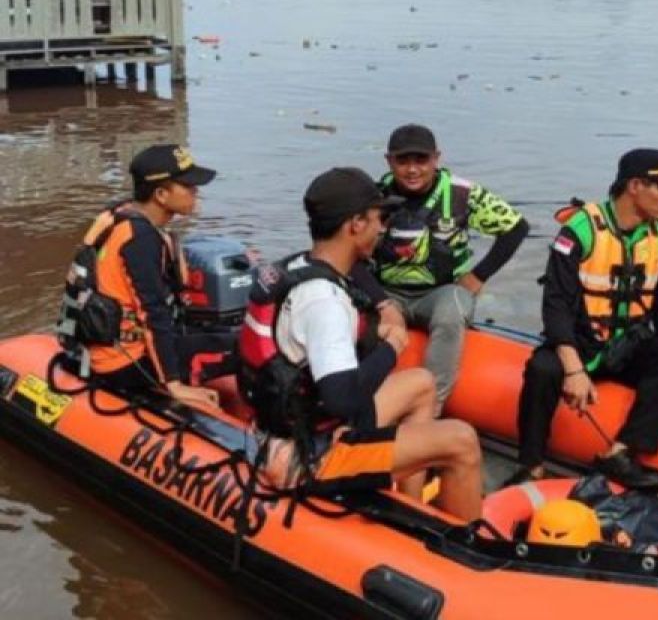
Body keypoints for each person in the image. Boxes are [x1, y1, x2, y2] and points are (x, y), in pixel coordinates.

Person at [253, 166, 482, 519]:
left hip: (306, 423)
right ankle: (468, 556)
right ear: (355, 225)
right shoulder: (324, 302)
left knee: (422, 384)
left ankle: (411, 511)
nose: (382, 228)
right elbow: (343, 400)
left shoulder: (299, 265)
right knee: (462, 440)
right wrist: (391, 347)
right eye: (378, 218)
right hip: (312, 456)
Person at [508, 149, 658, 489]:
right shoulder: (580, 229)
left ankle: (619, 453)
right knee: (542, 369)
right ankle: (531, 464)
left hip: (628, 345)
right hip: (579, 344)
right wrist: (574, 369)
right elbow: (555, 305)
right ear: (635, 186)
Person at [360, 124, 529, 405]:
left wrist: (478, 276)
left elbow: (516, 228)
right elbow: (350, 252)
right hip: (388, 293)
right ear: (389, 161)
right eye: (403, 161)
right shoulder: (373, 198)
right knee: (361, 320)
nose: (412, 170)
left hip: (442, 292)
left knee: (451, 315)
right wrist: (381, 303)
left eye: (421, 160)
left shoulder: (463, 194)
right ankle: (368, 400)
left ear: (436, 159)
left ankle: (430, 405)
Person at [58, 144, 232, 407]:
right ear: (161, 194)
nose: (196, 192)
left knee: (224, 329)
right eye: (188, 186)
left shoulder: (119, 216)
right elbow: (153, 313)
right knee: (247, 346)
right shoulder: (141, 240)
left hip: (103, 348)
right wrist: (172, 384)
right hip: (126, 362)